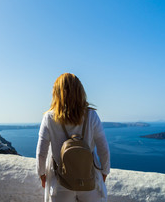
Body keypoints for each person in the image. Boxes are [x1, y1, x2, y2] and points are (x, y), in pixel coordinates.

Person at [36, 73, 110, 202]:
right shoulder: (91, 116)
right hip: (89, 181)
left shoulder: (49, 118)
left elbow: (41, 152)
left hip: (60, 182)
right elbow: (103, 148)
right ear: (80, 91)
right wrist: (104, 172)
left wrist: (42, 175)